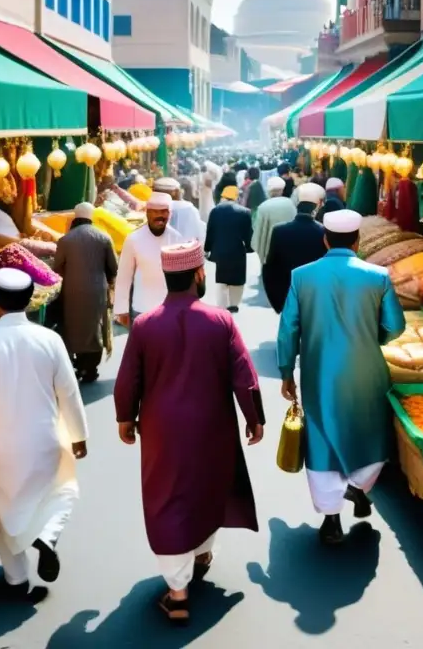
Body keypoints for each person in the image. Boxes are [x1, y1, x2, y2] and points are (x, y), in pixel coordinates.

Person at [114, 240, 264, 624]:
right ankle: (201, 553)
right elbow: (244, 375)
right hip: (212, 425)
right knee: (207, 487)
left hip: (162, 430)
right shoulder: (221, 321)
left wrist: (125, 418)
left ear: (167, 276)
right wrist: (254, 417)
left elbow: (128, 379)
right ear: (199, 274)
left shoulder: (146, 325)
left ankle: (177, 591)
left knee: (167, 498)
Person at [276, 210, 405, 545]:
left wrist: (286, 371)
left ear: (325, 239)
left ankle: (331, 520)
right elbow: (395, 327)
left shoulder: (301, 276)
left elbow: (288, 329)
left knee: (321, 437)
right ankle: (357, 486)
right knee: (369, 431)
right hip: (367, 369)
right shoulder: (378, 276)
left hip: (319, 372)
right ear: (358, 240)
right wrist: (372, 338)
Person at [0, 268, 88, 601]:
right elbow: (69, 393)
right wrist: (79, 434)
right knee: (63, 491)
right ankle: (48, 534)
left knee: (4, 510)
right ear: (30, 301)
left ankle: (16, 578)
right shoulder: (50, 340)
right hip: (45, 440)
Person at [53, 203, 118, 384]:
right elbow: (113, 267)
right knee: (94, 328)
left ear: (75, 217)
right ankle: (90, 368)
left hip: (71, 291)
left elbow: (57, 267)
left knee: (73, 326)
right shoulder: (104, 237)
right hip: (97, 291)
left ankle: (76, 364)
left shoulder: (66, 240)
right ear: (91, 217)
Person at [113, 193, 182, 325]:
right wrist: (121, 310)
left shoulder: (177, 238)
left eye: (163, 211)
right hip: (141, 309)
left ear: (170, 214)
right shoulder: (134, 239)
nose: (159, 216)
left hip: (170, 310)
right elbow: (124, 277)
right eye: (155, 212)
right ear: (147, 213)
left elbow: (183, 278)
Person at [264, 185, 328, 314]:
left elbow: (270, 266)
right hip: (314, 294)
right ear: (315, 209)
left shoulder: (279, 230)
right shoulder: (323, 232)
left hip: (287, 293)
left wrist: (277, 302)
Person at [204, 185, 252, 313]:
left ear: (223, 197)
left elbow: (210, 232)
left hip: (219, 250)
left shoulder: (215, 211)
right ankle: (234, 304)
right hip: (237, 250)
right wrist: (248, 247)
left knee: (221, 279)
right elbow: (248, 235)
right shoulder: (245, 212)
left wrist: (207, 249)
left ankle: (222, 307)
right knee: (237, 279)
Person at [251, 177, 296, 264]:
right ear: (282, 190)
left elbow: (257, 233)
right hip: (290, 251)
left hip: (269, 255)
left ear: (269, 191)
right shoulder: (291, 204)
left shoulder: (263, 207)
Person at [154, 177, 205, 243]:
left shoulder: (151, 208)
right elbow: (199, 233)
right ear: (174, 192)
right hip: (184, 250)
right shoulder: (189, 208)